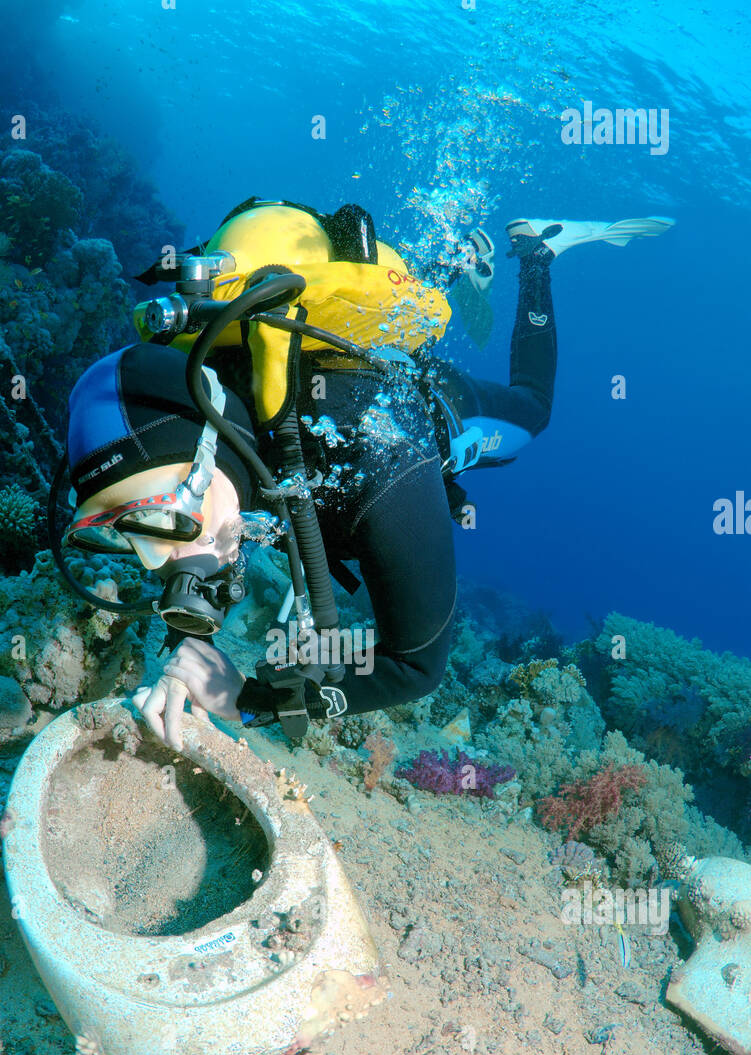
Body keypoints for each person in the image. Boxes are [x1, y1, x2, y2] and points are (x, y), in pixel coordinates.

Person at [58, 201, 672, 749]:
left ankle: (537, 253)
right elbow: (193, 549)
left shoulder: (377, 466)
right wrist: (185, 651)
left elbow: (416, 665)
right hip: (327, 367)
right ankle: (449, 265)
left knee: (532, 412)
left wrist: (249, 700)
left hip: (413, 409)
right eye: (118, 532)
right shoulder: (206, 437)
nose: (150, 560)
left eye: (160, 520)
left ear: (204, 463)